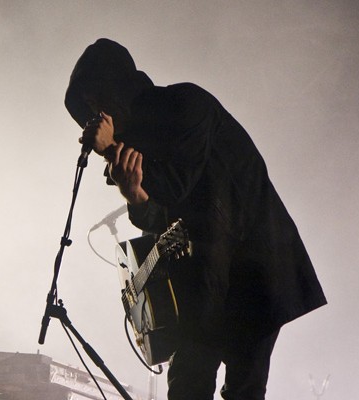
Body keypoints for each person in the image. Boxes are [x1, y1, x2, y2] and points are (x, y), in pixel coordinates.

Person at [64, 38, 327, 400]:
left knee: (243, 389)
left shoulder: (187, 104)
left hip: (254, 267)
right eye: (89, 107)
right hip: (204, 277)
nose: (97, 115)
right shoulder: (137, 148)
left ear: (119, 89)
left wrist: (111, 151)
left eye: (99, 100)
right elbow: (161, 221)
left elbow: (177, 186)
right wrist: (134, 195)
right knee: (187, 386)